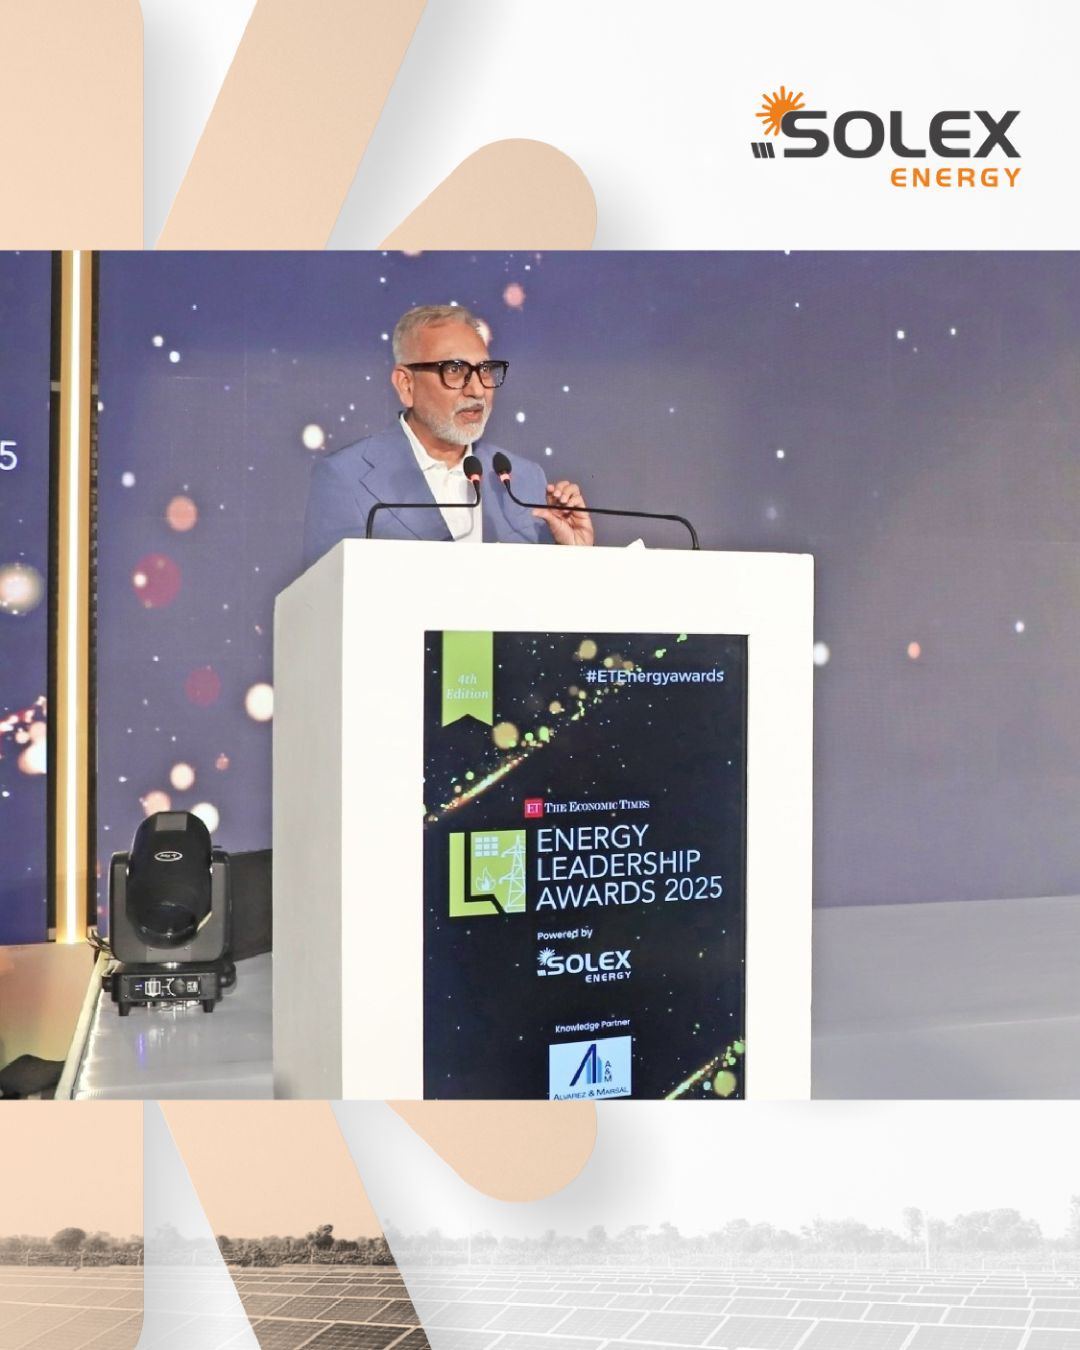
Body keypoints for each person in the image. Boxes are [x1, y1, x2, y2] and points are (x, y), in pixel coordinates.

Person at [302, 304, 593, 569]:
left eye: (485, 370)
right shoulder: (347, 479)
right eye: (454, 370)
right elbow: (328, 597)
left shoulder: (524, 480)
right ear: (406, 385)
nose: (477, 390)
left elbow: (545, 602)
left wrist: (575, 560)